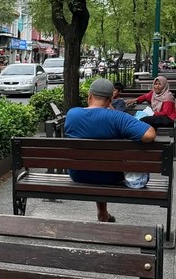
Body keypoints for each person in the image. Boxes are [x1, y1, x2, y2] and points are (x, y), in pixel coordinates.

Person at [65, 77, 156, 222]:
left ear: (89, 96)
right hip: (112, 176)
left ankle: (103, 212)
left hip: (78, 174)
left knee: (94, 161)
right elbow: (149, 135)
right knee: (102, 165)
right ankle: (102, 213)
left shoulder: (72, 114)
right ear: (111, 99)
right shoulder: (118, 118)